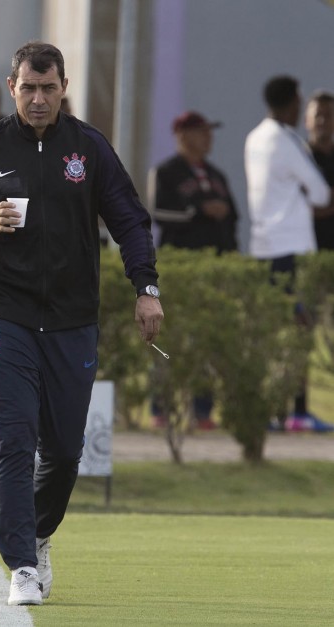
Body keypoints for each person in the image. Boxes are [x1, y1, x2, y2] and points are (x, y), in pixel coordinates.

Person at [0, 41, 163, 606]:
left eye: (49, 88)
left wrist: (147, 289)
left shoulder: (87, 148)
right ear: (11, 88)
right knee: (13, 439)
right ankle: (20, 566)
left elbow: (131, 222)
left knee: (63, 451)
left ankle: (37, 537)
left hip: (71, 321)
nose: (39, 99)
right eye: (28, 89)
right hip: (4, 315)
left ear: (64, 89)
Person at [245, 75, 333, 433]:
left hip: (263, 248)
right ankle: (296, 410)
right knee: (298, 331)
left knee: (268, 331)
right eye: (299, 103)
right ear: (291, 104)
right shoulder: (287, 141)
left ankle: (268, 409)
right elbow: (322, 195)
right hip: (293, 250)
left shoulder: (254, 137)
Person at [148, 110, 238, 430]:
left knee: (207, 337)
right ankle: (161, 406)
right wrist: (198, 209)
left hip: (215, 268)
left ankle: (203, 410)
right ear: (183, 136)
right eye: (202, 131)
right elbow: (158, 213)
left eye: (210, 131)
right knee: (170, 335)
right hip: (180, 267)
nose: (209, 137)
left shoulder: (217, 175)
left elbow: (233, 219)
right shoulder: (167, 172)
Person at [306, 91, 334, 250]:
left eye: (329, 115)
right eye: (318, 115)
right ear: (307, 120)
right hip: (312, 249)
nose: (322, 121)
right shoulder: (300, 159)